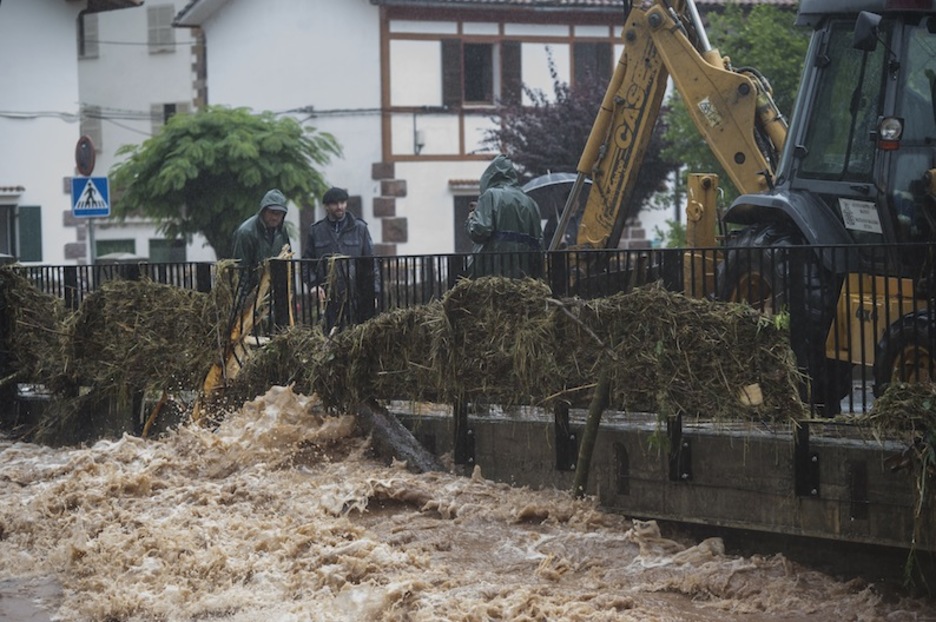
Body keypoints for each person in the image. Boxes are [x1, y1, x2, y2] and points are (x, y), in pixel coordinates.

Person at [302, 186, 378, 334]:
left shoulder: (360, 228)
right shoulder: (316, 231)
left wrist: (374, 292)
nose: (340, 207)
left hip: (356, 294)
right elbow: (307, 262)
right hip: (327, 297)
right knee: (328, 336)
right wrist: (313, 285)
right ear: (326, 206)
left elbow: (370, 263)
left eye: (343, 202)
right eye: (335, 203)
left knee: (356, 335)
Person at [466, 154, 543, 278]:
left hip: (494, 270)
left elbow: (479, 231)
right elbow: (539, 240)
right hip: (525, 272)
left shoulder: (490, 195)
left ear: (489, 176)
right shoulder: (530, 202)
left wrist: (471, 218)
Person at [232, 188, 292, 271]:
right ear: (263, 211)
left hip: (277, 281)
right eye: (271, 212)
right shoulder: (245, 232)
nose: (275, 217)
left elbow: (288, 264)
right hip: (253, 282)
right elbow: (240, 269)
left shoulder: (282, 230)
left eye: (279, 213)